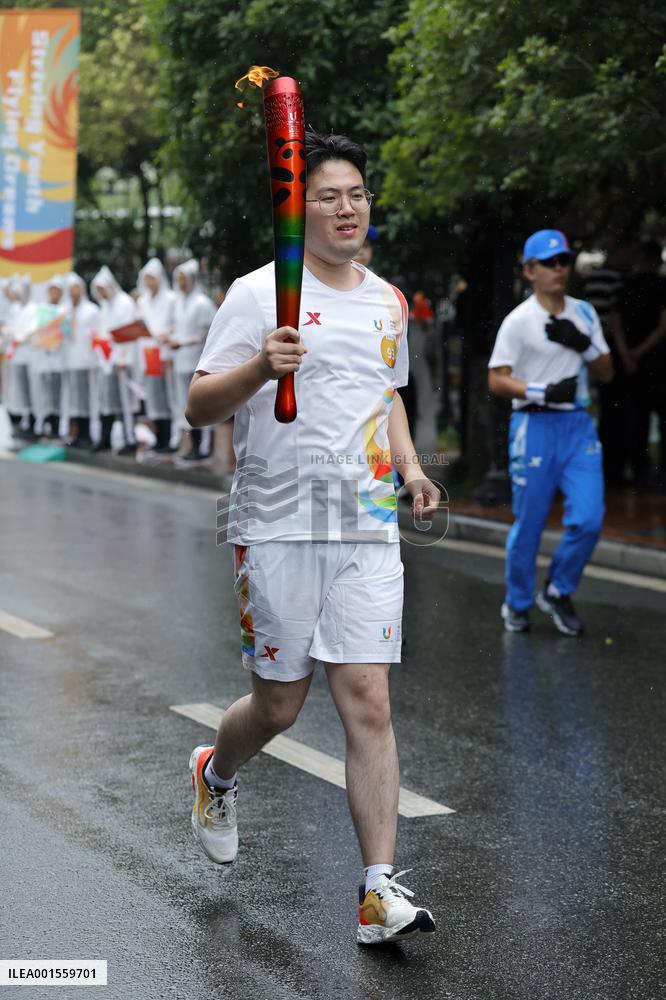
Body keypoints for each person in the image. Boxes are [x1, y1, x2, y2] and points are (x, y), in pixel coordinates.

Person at [185, 132, 439, 945]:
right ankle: (216, 770)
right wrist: (261, 368)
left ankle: (377, 891)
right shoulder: (258, 295)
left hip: (365, 524)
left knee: (368, 699)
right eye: (329, 195)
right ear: (299, 209)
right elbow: (199, 404)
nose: (347, 207)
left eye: (357, 193)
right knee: (280, 706)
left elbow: (386, 395)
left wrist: (410, 469)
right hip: (277, 524)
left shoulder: (387, 300)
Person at [488, 229, 613, 636]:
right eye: (549, 262)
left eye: (564, 261)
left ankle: (558, 590)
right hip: (534, 426)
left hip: (577, 426)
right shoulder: (518, 321)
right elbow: (496, 379)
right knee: (531, 523)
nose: (559, 269)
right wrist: (541, 390)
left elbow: (607, 371)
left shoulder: (584, 314)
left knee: (589, 519)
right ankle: (518, 602)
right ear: (530, 270)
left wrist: (582, 343)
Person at [609, 241, 666, 489]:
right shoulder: (661, 285)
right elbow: (663, 326)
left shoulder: (626, 285)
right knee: (659, 420)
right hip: (657, 362)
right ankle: (660, 474)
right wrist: (640, 352)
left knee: (637, 420)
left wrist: (626, 354)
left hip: (632, 364)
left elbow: (615, 322)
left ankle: (640, 472)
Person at [170, 259, 216, 463]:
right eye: (178, 279)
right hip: (180, 361)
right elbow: (177, 328)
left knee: (202, 403)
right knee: (185, 405)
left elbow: (207, 333)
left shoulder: (202, 303)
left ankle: (204, 447)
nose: (180, 283)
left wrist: (184, 343)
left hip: (197, 361)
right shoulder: (179, 302)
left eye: (183, 279)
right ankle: (192, 446)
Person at [91, 266, 138, 453]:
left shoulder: (125, 303)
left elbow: (129, 332)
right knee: (107, 400)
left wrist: (123, 358)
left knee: (126, 402)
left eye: (102, 289)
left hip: (122, 360)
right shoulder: (104, 306)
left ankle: (130, 439)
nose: (101, 293)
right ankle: (105, 438)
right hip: (106, 360)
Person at [137, 258, 177, 454]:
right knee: (154, 397)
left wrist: (166, 333)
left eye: (152, 278)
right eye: (146, 278)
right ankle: (159, 438)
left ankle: (171, 439)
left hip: (165, 353)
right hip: (148, 353)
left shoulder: (171, 299)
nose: (149, 282)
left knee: (168, 394)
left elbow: (177, 323)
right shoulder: (142, 301)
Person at [63, 274, 101, 449]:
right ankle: (77, 434)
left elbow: (96, 336)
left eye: (76, 289)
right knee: (74, 400)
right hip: (70, 361)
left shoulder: (91, 310)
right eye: (71, 290)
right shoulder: (66, 312)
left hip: (86, 362)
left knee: (86, 399)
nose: (74, 293)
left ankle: (88, 434)